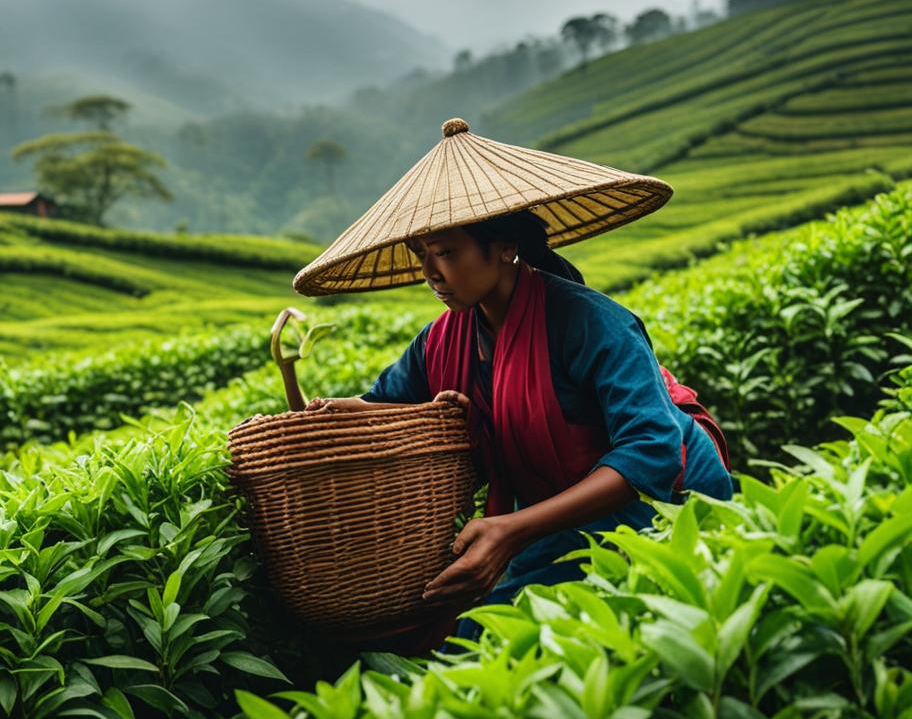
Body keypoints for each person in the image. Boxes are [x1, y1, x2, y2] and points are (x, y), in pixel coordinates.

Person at [292, 117, 733, 653]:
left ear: (502, 248)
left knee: (491, 636)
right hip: (553, 514)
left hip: (661, 507)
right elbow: (381, 406)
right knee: (456, 629)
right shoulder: (442, 341)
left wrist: (512, 530)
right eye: (421, 255)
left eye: (446, 252)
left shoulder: (593, 325)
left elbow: (651, 455)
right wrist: (319, 414)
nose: (430, 272)